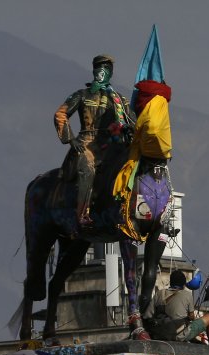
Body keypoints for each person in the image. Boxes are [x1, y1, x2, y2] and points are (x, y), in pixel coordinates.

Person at [54, 54, 132, 231]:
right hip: (87, 142)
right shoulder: (81, 95)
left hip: (112, 143)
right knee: (87, 169)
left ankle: (128, 211)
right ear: (94, 69)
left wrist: (128, 129)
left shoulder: (119, 100)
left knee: (129, 166)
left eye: (107, 67)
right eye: (100, 66)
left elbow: (132, 121)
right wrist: (70, 138)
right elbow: (61, 114)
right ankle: (82, 215)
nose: (103, 71)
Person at [149, 270, 209, 348]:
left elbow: (149, 314)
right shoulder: (187, 295)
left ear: (171, 282)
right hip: (179, 334)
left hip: (160, 332)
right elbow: (191, 317)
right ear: (183, 284)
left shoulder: (159, 293)